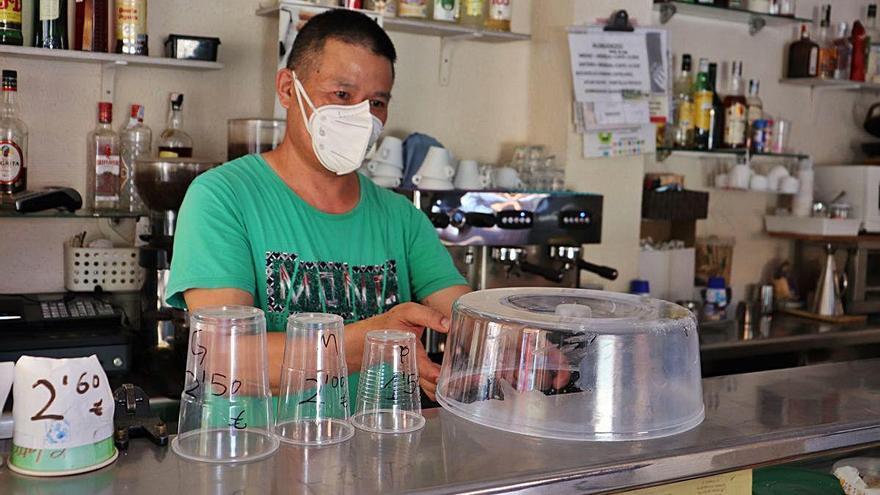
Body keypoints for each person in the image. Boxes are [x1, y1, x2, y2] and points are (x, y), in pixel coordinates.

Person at [166, 9, 470, 401]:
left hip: (380, 455)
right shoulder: (223, 198)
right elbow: (226, 359)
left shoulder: (401, 218)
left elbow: (467, 320)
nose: (362, 117)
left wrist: (506, 348)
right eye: (342, 95)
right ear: (288, 89)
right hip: (262, 455)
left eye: (376, 102)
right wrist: (374, 340)